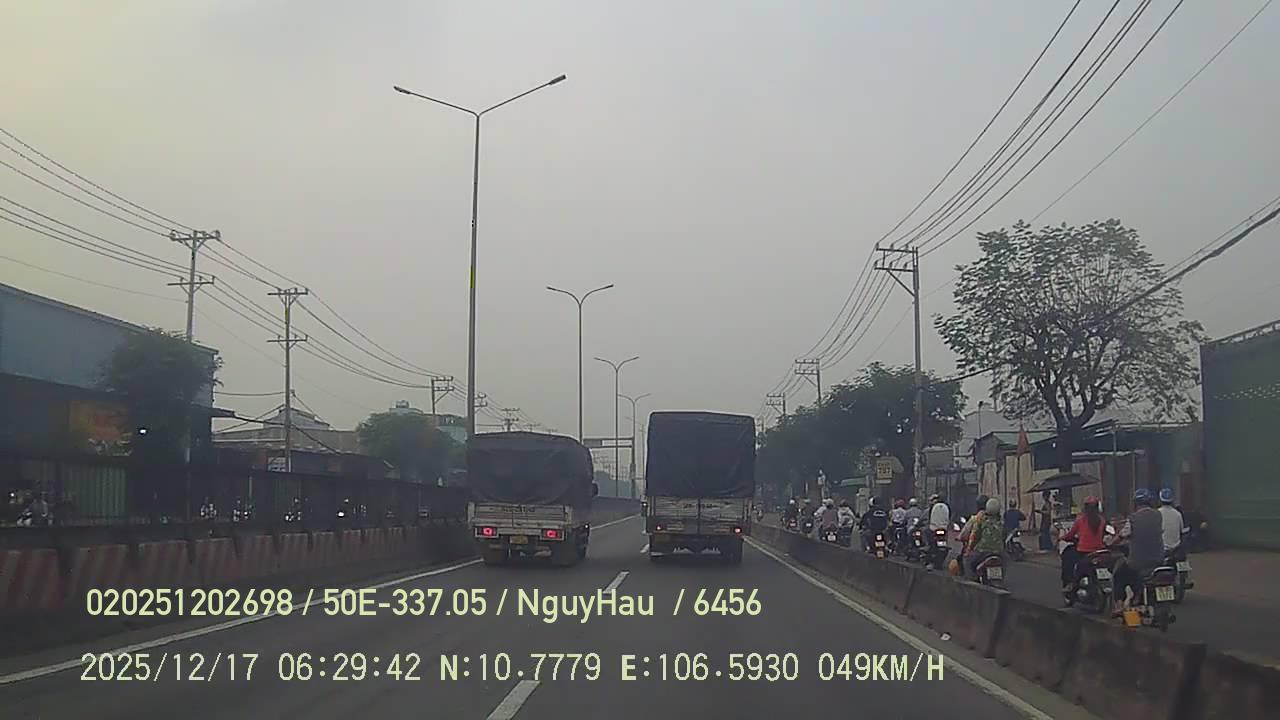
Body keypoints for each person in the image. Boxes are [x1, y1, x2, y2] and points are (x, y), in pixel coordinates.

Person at [1114, 489, 1164, 610]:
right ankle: (1138, 596)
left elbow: (1123, 534)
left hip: (1138, 562)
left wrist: (1112, 542)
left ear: (1136, 503)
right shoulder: (1158, 515)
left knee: (1118, 575)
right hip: (1158, 560)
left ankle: (1119, 605)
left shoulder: (1133, 518)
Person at [1059, 496, 1106, 592]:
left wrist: (1062, 538)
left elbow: (1070, 535)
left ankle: (1070, 583)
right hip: (1100, 551)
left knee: (1067, 556)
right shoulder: (1102, 520)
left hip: (1083, 552)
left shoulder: (1080, 520)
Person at [967, 498, 1005, 576]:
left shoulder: (982, 522)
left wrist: (970, 548)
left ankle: (973, 579)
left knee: (970, 562)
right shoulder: (1001, 524)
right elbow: (1004, 537)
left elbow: (976, 536)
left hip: (983, 552)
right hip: (999, 552)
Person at [1157, 488, 1185, 553]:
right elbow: (1182, 530)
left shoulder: (1157, 513)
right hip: (1176, 549)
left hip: (1161, 550)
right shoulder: (1178, 514)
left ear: (1160, 500)